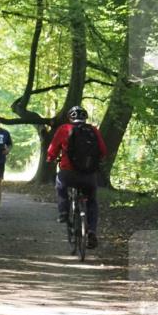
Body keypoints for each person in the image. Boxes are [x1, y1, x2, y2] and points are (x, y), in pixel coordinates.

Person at [47, 106, 107, 249]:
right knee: (91, 201)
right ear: (85, 118)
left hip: (68, 173)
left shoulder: (64, 129)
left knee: (60, 186)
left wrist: (51, 158)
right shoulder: (93, 130)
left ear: (70, 118)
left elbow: (52, 150)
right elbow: (103, 151)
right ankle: (91, 230)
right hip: (89, 176)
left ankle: (63, 212)